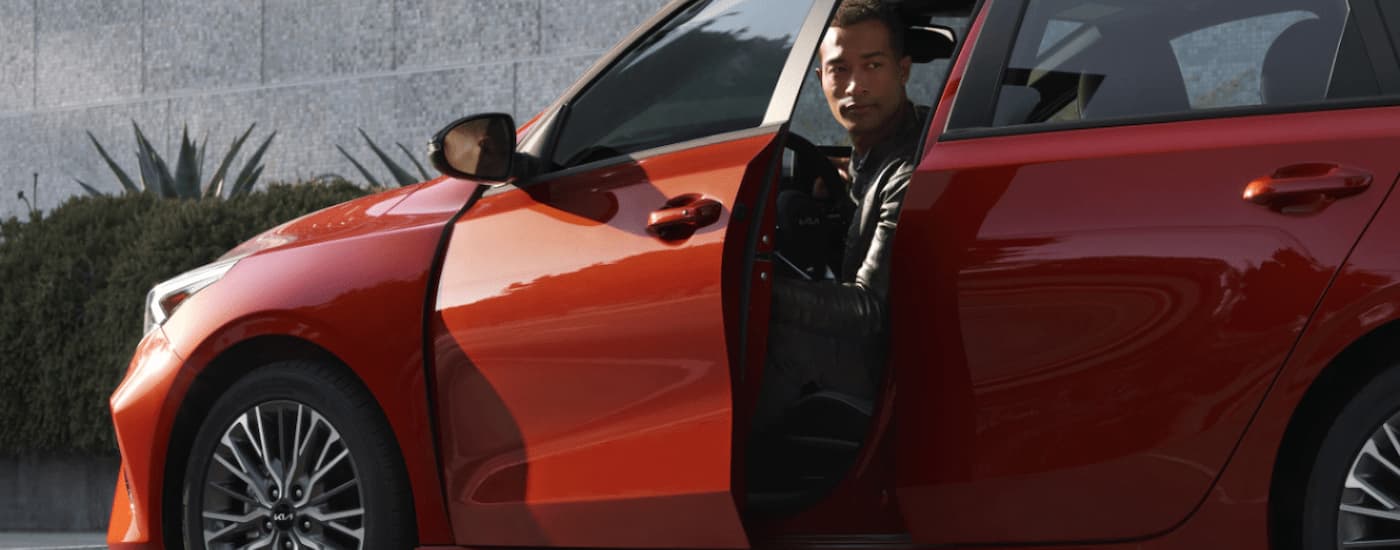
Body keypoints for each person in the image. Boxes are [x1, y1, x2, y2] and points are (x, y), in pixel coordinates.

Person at [753, 0, 926, 434]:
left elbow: (869, 310)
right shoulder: (875, 149)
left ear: (903, 70)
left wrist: (753, 289)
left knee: (760, 339)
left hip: (896, 371)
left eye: (872, 65)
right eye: (839, 70)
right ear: (819, 80)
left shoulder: (909, 169)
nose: (854, 86)